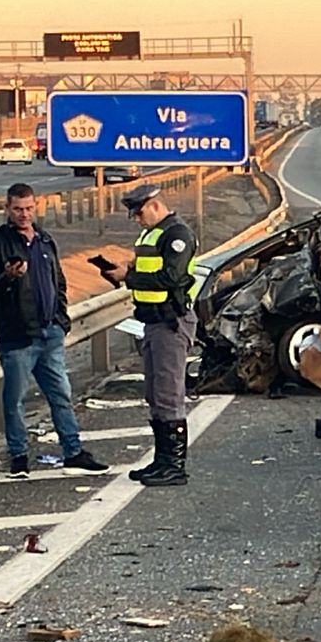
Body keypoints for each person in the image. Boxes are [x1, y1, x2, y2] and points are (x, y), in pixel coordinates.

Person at [0, 183, 109, 477]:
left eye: (29, 209)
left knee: (61, 394)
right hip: (18, 335)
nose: (24, 215)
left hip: (50, 332)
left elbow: (58, 282)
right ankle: (19, 456)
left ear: (36, 208)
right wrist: (8, 277)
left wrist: (61, 319)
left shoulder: (45, 240)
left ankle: (73, 451)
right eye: (18, 209)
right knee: (14, 400)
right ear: (7, 209)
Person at [100, 183, 198, 487]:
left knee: (169, 393)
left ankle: (174, 465)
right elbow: (148, 265)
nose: (136, 219)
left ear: (155, 205)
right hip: (153, 322)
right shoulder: (151, 234)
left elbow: (172, 277)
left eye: (139, 212)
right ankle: (161, 460)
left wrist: (128, 277)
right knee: (155, 393)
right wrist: (126, 268)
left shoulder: (177, 234)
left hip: (171, 321)